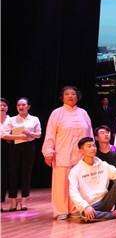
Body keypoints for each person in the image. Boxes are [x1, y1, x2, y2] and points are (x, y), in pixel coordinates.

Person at [42, 86, 93, 220]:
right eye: (67, 94)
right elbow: (50, 134)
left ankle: (76, 208)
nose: (70, 96)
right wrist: (48, 152)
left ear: (77, 97)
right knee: (61, 185)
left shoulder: (83, 113)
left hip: (80, 156)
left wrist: (91, 150)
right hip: (62, 154)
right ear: (62, 97)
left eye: (73, 94)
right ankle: (61, 210)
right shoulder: (56, 113)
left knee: (78, 184)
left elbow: (90, 134)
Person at [69, 137, 116, 222]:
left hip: (106, 201)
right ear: (81, 151)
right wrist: (85, 206)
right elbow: (73, 193)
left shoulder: (103, 165)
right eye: (89, 146)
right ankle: (115, 214)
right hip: (90, 206)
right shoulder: (75, 171)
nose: (93, 148)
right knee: (85, 215)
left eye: (94, 145)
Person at [4, 98, 42, 211]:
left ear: (28, 106)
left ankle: (24, 200)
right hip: (14, 146)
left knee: (26, 173)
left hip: (29, 146)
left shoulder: (34, 119)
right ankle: (13, 201)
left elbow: (39, 134)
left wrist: (29, 133)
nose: (21, 107)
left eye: (23, 105)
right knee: (13, 173)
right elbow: (6, 134)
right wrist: (14, 135)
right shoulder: (11, 119)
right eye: (18, 105)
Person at [1, 98, 12, 212]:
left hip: (7, 148)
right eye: (0, 105)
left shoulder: (11, 120)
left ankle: (1, 201)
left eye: (4, 105)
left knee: (3, 174)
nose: (2, 107)